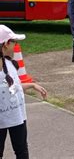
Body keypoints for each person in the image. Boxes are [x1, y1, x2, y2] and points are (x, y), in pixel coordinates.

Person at [0, 25, 48, 159]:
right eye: (14, 42)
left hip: (17, 117)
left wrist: (32, 85)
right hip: (1, 120)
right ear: (5, 44)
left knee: (22, 150)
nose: (16, 45)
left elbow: (11, 87)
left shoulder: (11, 64)